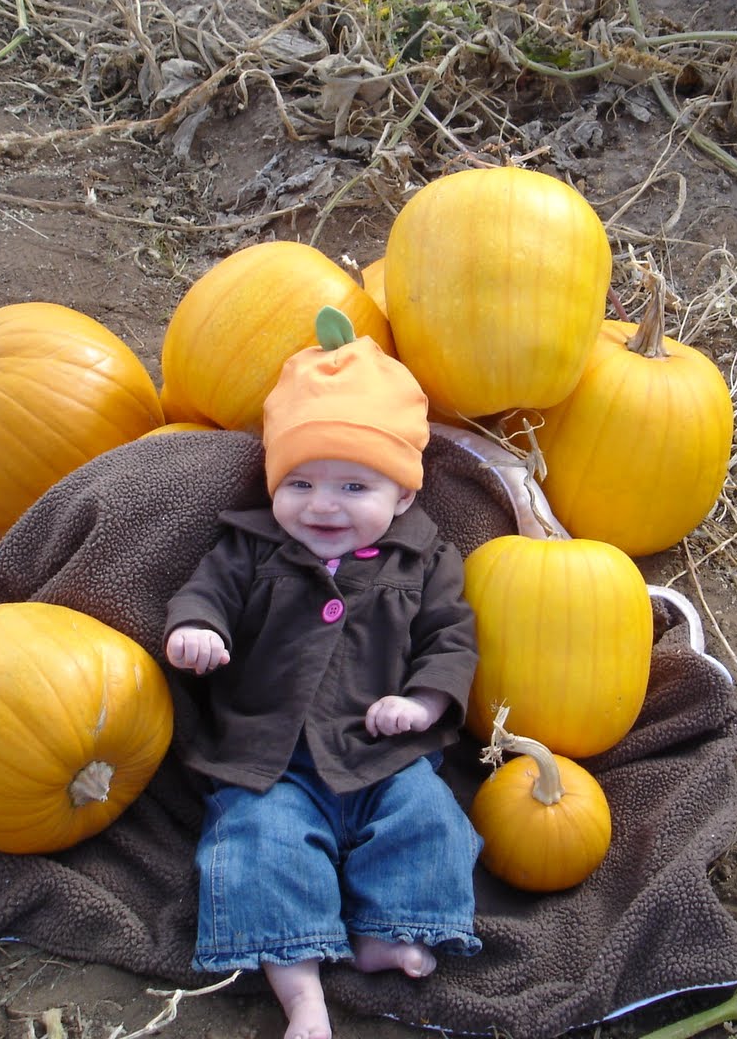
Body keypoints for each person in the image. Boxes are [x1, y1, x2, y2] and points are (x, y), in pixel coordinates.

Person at [162, 309, 482, 1039]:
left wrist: (423, 703)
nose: (322, 505)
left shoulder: (426, 558)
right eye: (300, 482)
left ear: (404, 494)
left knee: (430, 819)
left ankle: (388, 930)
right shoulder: (251, 547)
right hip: (269, 761)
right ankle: (300, 990)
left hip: (382, 753)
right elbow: (206, 592)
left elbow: (450, 637)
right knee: (256, 843)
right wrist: (196, 630)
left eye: (354, 488)